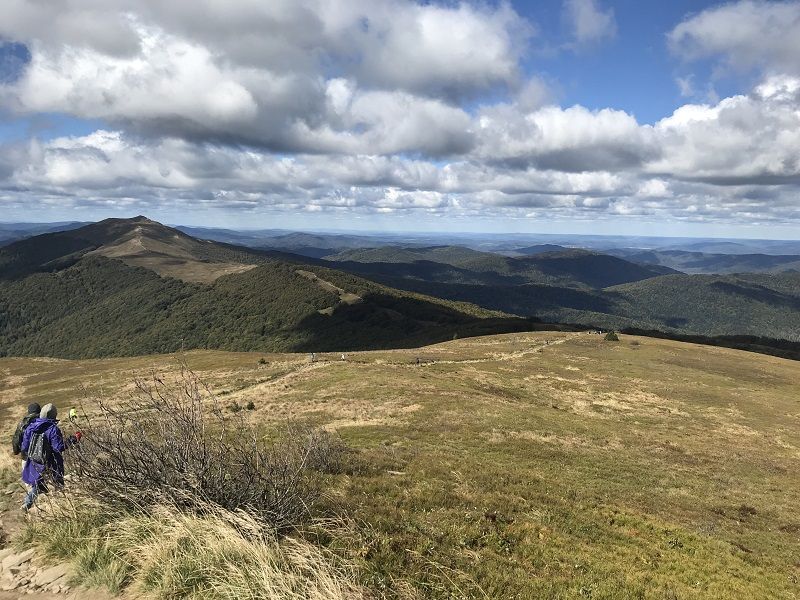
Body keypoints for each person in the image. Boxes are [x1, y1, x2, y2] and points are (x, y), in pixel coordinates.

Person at [20, 404, 80, 512]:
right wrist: (73, 439)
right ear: (53, 415)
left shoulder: (31, 427)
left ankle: (27, 503)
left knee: (38, 484)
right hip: (53, 462)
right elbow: (59, 447)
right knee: (58, 484)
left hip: (36, 461)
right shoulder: (53, 429)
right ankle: (61, 507)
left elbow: (24, 446)